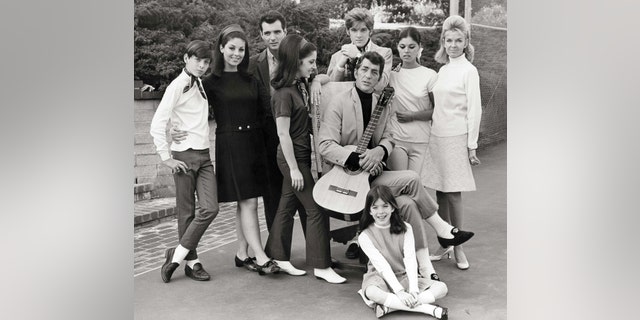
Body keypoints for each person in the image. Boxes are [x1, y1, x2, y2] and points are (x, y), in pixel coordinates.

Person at [318, 51, 475, 278]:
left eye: (374, 72)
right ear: (356, 71)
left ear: (380, 77)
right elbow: (325, 144)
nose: (368, 76)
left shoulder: (380, 104)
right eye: (364, 70)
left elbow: (389, 137)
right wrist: (356, 158)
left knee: (408, 200)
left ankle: (425, 267)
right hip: (346, 180)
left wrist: (380, 151)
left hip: (372, 179)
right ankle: (442, 230)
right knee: (410, 185)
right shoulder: (338, 102)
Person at [263, 34, 346, 284]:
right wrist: (294, 170)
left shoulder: (299, 85)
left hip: (300, 158)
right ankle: (321, 265)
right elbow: (282, 134)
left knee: (287, 206)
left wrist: (316, 81)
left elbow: (325, 77)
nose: (314, 66)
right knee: (316, 208)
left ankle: (276, 256)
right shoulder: (283, 94)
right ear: (295, 62)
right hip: (291, 160)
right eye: (310, 62)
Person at [202, 24, 279, 275]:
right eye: (232, 48)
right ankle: (260, 255)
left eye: (241, 49)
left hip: (254, 143)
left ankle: (241, 253)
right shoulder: (209, 82)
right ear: (221, 48)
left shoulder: (251, 78)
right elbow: (188, 109)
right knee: (249, 201)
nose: (236, 53)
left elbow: (264, 111)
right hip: (231, 143)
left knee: (245, 201)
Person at [150, 40, 219, 283]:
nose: (202, 65)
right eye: (197, 60)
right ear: (186, 59)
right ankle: (192, 263)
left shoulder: (199, 83)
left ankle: (176, 256)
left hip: (204, 156)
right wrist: (165, 157)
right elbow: (158, 122)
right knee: (186, 212)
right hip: (183, 157)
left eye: (206, 61)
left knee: (211, 208)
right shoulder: (177, 85)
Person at [424, 16, 482, 271]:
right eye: (449, 40)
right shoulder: (443, 70)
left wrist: (472, 145)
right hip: (436, 135)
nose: (453, 45)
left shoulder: (469, 71)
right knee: (439, 190)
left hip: (457, 136)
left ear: (466, 42)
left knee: (453, 192)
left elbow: (475, 110)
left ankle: (459, 247)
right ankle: (446, 241)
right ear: (443, 43)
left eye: (459, 40)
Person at [248, 11, 307, 234]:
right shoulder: (253, 65)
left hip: (296, 135)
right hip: (267, 139)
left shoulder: (298, 58)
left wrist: (320, 80)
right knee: (272, 194)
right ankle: (277, 250)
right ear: (261, 35)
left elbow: (315, 75)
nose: (272, 38)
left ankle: (315, 250)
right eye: (267, 33)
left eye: (277, 32)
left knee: (304, 193)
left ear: (285, 31)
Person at [357, 186, 449, 319]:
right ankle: (428, 309)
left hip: (403, 275)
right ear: (369, 211)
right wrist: (399, 292)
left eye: (385, 206)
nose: (380, 211)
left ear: (393, 207)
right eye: (375, 207)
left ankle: (389, 307)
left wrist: (413, 290)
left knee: (442, 288)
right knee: (372, 292)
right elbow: (382, 266)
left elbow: (410, 259)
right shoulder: (364, 236)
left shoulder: (406, 228)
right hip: (379, 277)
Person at [387, 27, 437, 182]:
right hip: (397, 140)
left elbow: (439, 111)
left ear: (419, 47)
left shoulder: (430, 75)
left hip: (422, 141)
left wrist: (414, 116)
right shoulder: (390, 75)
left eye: (411, 46)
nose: (406, 51)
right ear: (397, 47)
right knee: (400, 187)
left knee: (417, 188)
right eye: (402, 47)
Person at [327, 7, 393, 93]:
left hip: (371, 105)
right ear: (348, 31)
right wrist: (340, 65)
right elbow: (330, 88)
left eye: (363, 30)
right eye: (354, 30)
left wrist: (359, 56)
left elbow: (381, 85)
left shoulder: (384, 53)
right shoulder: (337, 56)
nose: (358, 35)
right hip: (344, 105)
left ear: (370, 31)